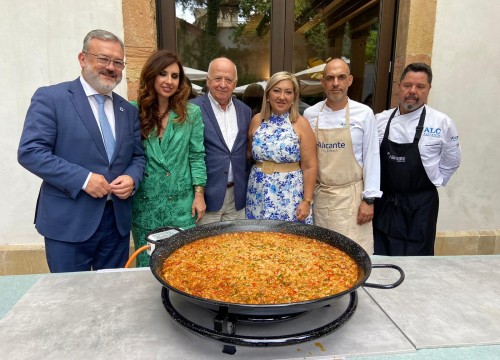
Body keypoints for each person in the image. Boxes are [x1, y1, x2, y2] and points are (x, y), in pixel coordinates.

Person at [17, 29, 145, 272]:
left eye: (118, 62)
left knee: (110, 297)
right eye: (103, 59)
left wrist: (132, 178)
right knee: (69, 300)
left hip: (115, 223)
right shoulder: (52, 98)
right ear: (83, 59)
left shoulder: (127, 110)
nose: (111, 67)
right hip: (68, 223)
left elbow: (137, 156)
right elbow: (31, 152)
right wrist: (84, 179)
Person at [374, 63, 461, 256]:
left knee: (418, 260)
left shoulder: (441, 122)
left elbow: (452, 160)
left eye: (420, 86)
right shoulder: (380, 120)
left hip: (421, 206)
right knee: (381, 254)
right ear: (399, 86)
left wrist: (433, 182)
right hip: (386, 203)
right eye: (407, 85)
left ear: (429, 89)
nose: (412, 91)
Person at [131, 50, 207, 267]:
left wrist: (199, 193)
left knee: (182, 265)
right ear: (151, 75)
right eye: (163, 74)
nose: (169, 81)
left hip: (182, 205)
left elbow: (197, 155)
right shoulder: (132, 111)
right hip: (146, 204)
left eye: (175, 76)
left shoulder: (190, 113)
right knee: (147, 265)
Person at [303, 58, 381, 254]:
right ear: (323, 82)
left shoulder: (364, 114)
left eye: (341, 77)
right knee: (322, 255)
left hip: (352, 199)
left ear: (350, 80)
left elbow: (372, 156)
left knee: (353, 255)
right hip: (320, 198)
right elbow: (305, 160)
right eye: (330, 78)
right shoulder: (311, 114)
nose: (335, 83)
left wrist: (369, 200)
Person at [246, 71, 317, 223]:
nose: (282, 97)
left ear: (294, 97)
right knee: (255, 241)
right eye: (277, 90)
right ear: (268, 94)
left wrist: (307, 200)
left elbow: (310, 166)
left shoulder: (301, 124)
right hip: (258, 191)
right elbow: (248, 153)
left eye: (288, 92)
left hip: (289, 194)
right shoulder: (257, 120)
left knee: (289, 241)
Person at [190, 57, 252, 225]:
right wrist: (198, 194)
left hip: (237, 198)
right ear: (208, 81)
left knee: (235, 247)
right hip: (206, 199)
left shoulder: (245, 111)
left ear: (235, 83)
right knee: (205, 248)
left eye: (229, 80)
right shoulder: (191, 109)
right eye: (217, 78)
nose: (223, 84)